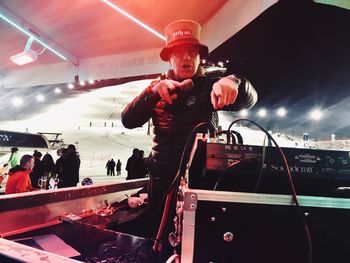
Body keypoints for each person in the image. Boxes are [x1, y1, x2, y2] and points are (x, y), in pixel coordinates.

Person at [121, 20, 257, 237]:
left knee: (201, 239)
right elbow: (127, 120)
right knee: (158, 237)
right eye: (179, 53)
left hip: (203, 181)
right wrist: (152, 93)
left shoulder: (212, 83)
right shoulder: (157, 88)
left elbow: (250, 99)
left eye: (192, 53)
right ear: (169, 58)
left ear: (199, 57)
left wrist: (235, 82)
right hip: (162, 182)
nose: (186, 58)